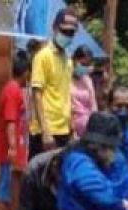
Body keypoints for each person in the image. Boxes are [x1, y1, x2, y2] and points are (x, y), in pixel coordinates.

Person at [0, 50, 31, 210]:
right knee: (5, 184)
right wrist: (13, 146)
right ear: (26, 73)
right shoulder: (12, 90)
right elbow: (10, 120)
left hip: (14, 144)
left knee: (11, 183)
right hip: (8, 146)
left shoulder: (14, 89)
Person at [29, 8, 79, 156]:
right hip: (46, 132)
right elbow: (36, 94)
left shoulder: (68, 60)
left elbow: (66, 94)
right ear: (54, 28)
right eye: (65, 31)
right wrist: (45, 132)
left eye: (71, 33)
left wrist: (71, 128)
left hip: (64, 130)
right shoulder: (42, 56)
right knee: (40, 177)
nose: (68, 35)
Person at [69, 45, 98, 138]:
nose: (85, 67)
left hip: (89, 127)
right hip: (71, 126)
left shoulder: (87, 80)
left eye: (87, 65)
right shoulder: (66, 79)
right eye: (83, 64)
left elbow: (93, 105)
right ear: (74, 60)